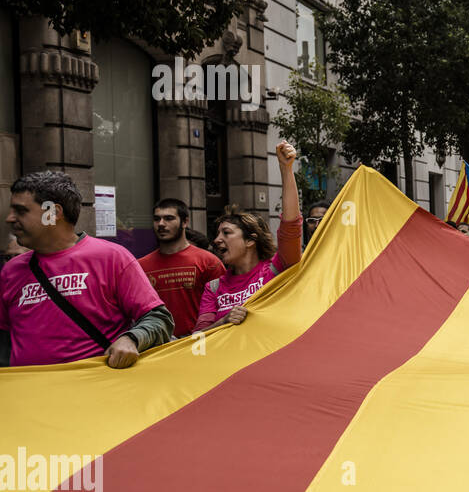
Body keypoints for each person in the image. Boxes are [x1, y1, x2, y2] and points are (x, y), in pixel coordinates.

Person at [1, 171, 172, 367]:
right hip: (29, 393)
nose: (9, 218)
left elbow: (159, 319)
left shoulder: (112, 257)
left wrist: (132, 338)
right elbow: (5, 337)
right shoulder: (10, 271)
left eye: (21, 211)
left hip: (95, 391)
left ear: (52, 213)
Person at [194, 141, 303, 331]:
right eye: (217, 234)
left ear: (251, 240)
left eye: (226, 233)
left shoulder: (277, 270)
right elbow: (197, 338)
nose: (217, 240)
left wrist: (286, 169)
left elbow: (291, 227)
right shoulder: (213, 288)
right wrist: (224, 321)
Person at [138, 198, 226, 337]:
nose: (161, 224)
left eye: (169, 218)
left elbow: (223, 306)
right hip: (157, 346)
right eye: (157, 219)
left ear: (185, 222)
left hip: (198, 343)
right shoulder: (140, 266)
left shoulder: (208, 262)